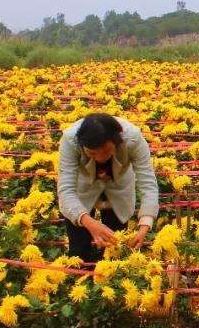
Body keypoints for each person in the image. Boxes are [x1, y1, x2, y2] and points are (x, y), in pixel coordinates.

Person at [57, 113, 159, 263]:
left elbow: (148, 182)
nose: (99, 158)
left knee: (115, 248)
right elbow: (66, 189)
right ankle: (82, 275)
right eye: (91, 153)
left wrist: (145, 224)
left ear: (117, 141)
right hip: (83, 187)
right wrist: (88, 221)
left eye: (106, 151)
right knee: (78, 251)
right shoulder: (70, 140)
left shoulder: (133, 139)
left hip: (118, 186)